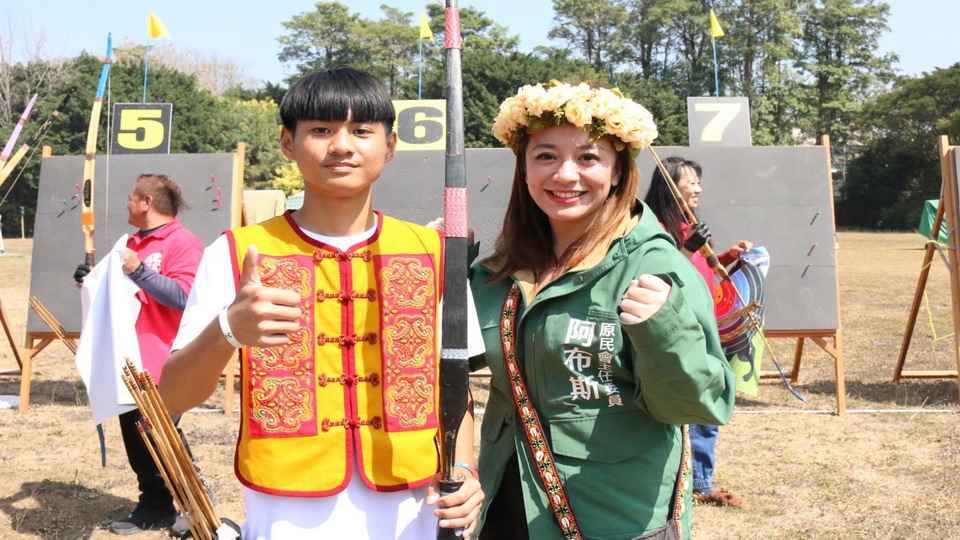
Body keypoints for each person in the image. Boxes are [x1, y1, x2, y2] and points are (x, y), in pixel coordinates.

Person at [159, 67, 483, 540]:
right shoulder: (235, 252)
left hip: (416, 508)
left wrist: (466, 469)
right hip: (289, 512)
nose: (342, 146)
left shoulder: (433, 252)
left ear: (389, 146)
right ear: (288, 143)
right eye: (322, 130)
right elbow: (171, 398)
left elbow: (455, 386)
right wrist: (228, 329)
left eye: (362, 131)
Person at [469, 81, 735, 540]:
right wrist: (437, 276)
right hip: (507, 502)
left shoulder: (657, 266)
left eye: (588, 158)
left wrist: (664, 330)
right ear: (525, 169)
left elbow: (701, 404)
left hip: (613, 513)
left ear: (617, 172)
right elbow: (445, 368)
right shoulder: (501, 269)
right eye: (546, 156)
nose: (566, 175)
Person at [74, 174, 204, 534]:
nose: (127, 203)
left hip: (162, 359)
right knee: (137, 439)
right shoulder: (130, 242)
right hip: (128, 357)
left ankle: (195, 509)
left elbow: (184, 297)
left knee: (162, 438)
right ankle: (155, 507)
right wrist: (91, 280)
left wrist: (138, 270)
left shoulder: (182, 242)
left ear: (147, 202)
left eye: (131, 197)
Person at [644, 156, 751, 508]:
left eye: (698, 181)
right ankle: (694, 482)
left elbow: (700, 267)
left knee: (704, 399)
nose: (698, 189)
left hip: (703, 325)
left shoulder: (686, 223)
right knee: (693, 402)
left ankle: (700, 479)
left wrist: (727, 255)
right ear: (670, 186)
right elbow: (656, 270)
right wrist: (687, 247)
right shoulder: (653, 225)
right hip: (677, 329)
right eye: (691, 182)